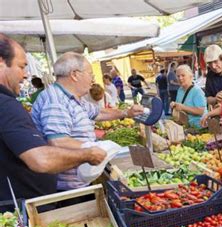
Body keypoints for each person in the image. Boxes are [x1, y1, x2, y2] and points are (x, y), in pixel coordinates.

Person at [0, 34, 106, 201]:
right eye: (21, 67)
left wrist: (126, 113)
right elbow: (41, 159)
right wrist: (88, 154)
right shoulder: (6, 105)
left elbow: (97, 112)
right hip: (27, 206)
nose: (26, 75)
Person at [32, 52, 144, 192]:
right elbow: (58, 142)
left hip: (78, 181)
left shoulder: (73, 98)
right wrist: (95, 148)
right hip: (67, 190)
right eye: (90, 74)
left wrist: (127, 113)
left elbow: (98, 112)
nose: (93, 79)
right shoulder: (56, 101)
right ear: (74, 74)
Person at [170, 65, 207, 129]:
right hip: (185, 125)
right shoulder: (180, 90)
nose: (180, 78)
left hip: (198, 127)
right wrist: (174, 105)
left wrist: (183, 107)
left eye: (183, 75)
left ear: (190, 76)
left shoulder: (197, 91)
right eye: (178, 76)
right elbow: (179, 106)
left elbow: (201, 111)